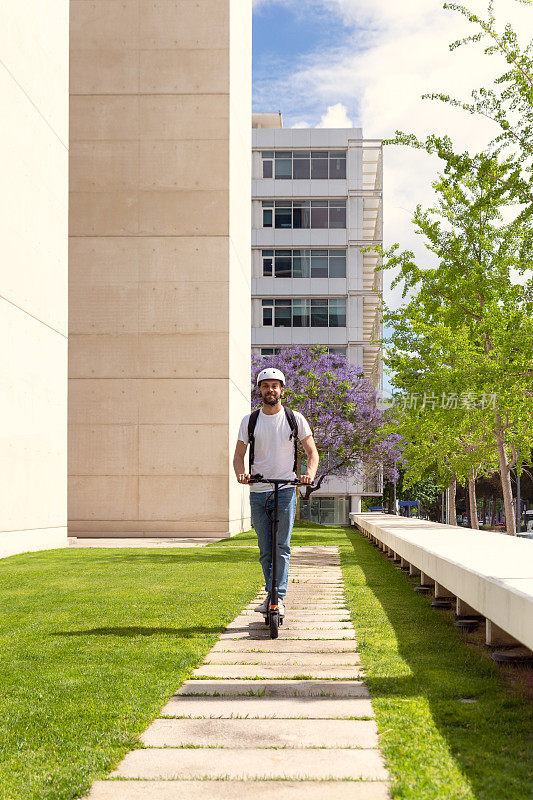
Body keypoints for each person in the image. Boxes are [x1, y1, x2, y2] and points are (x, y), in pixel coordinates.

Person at [233, 368, 319, 617]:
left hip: (285, 490)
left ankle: (277, 597)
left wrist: (309, 474)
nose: (270, 390)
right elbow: (239, 456)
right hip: (259, 490)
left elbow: (312, 453)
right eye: (265, 386)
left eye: (275, 386)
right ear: (259, 389)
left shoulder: (295, 419)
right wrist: (241, 474)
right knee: (265, 548)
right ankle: (272, 595)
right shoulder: (249, 421)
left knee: (281, 545)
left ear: (282, 389)